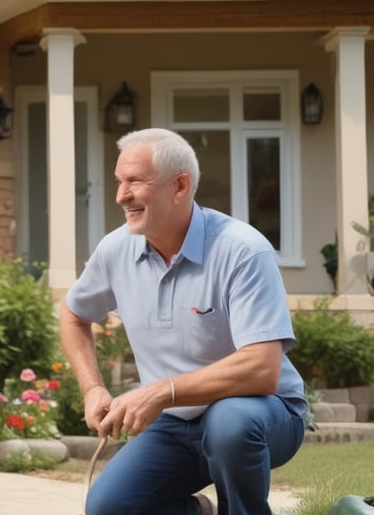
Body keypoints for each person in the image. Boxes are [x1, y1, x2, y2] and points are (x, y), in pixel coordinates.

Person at [60, 128, 308, 515]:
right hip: (176, 423)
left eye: (135, 182)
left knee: (230, 423)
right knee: (108, 508)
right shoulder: (115, 250)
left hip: (261, 414)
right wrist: (92, 389)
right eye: (119, 182)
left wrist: (161, 392)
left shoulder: (242, 249)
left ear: (179, 185)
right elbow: (74, 314)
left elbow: (262, 369)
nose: (121, 196)